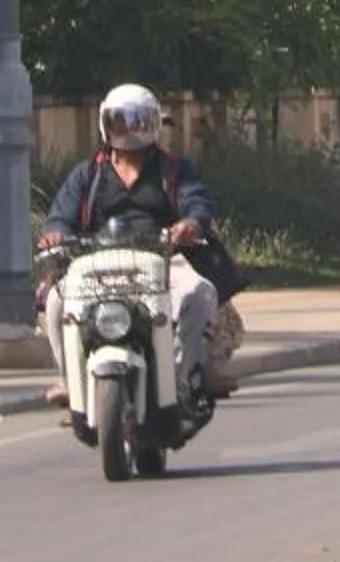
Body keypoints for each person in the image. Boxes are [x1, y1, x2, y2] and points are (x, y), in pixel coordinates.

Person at [36, 84, 232, 399]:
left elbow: (197, 204)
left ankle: (183, 379)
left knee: (201, 294)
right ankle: (71, 383)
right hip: (95, 262)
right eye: (120, 121)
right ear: (105, 124)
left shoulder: (174, 170)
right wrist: (55, 232)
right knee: (56, 301)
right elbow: (61, 215)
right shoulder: (87, 174)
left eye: (138, 120)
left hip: (164, 258)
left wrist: (191, 224)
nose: (128, 130)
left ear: (154, 123)